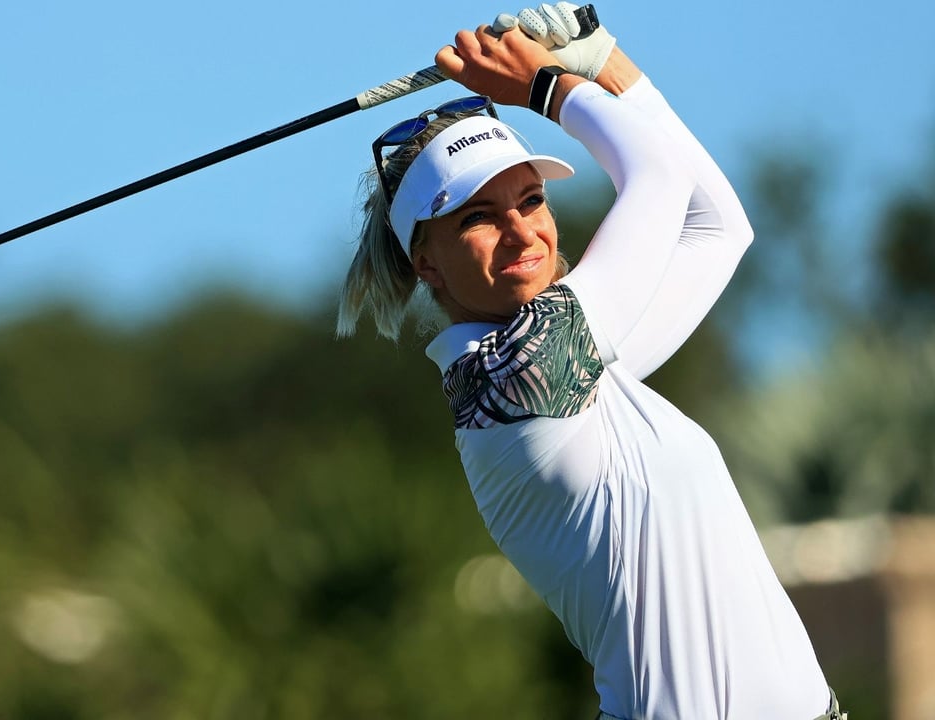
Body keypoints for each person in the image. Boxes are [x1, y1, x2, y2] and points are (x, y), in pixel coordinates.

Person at [337, 5, 846, 719]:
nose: (522, 231)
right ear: (427, 263)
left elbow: (718, 226)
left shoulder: (584, 374)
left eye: (531, 198)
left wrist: (599, 56)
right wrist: (545, 85)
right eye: (478, 217)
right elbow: (659, 173)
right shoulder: (524, 370)